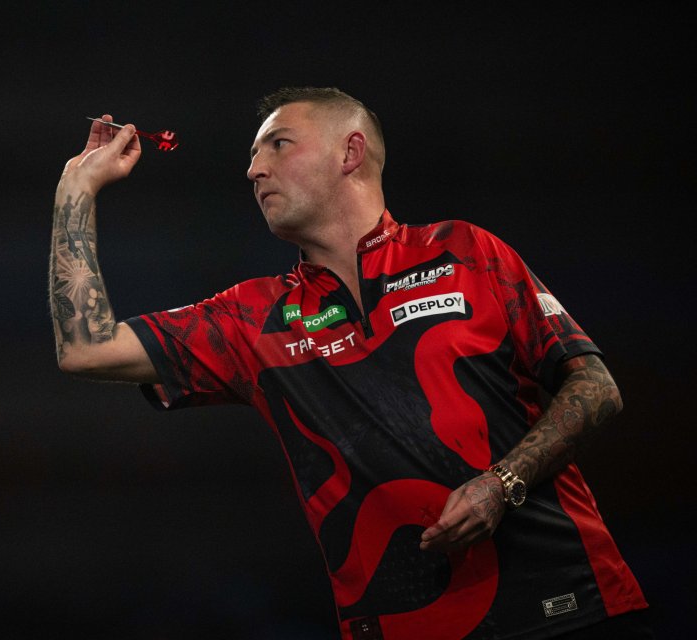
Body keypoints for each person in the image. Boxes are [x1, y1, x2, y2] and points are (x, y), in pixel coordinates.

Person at [49, 87, 652, 639]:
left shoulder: (467, 251)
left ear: (350, 153)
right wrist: (76, 189)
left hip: (574, 607)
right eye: (253, 157)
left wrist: (503, 484)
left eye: (277, 145)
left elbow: (596, 385)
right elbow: (85, 348)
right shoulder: (252, 318)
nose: (253, 170)